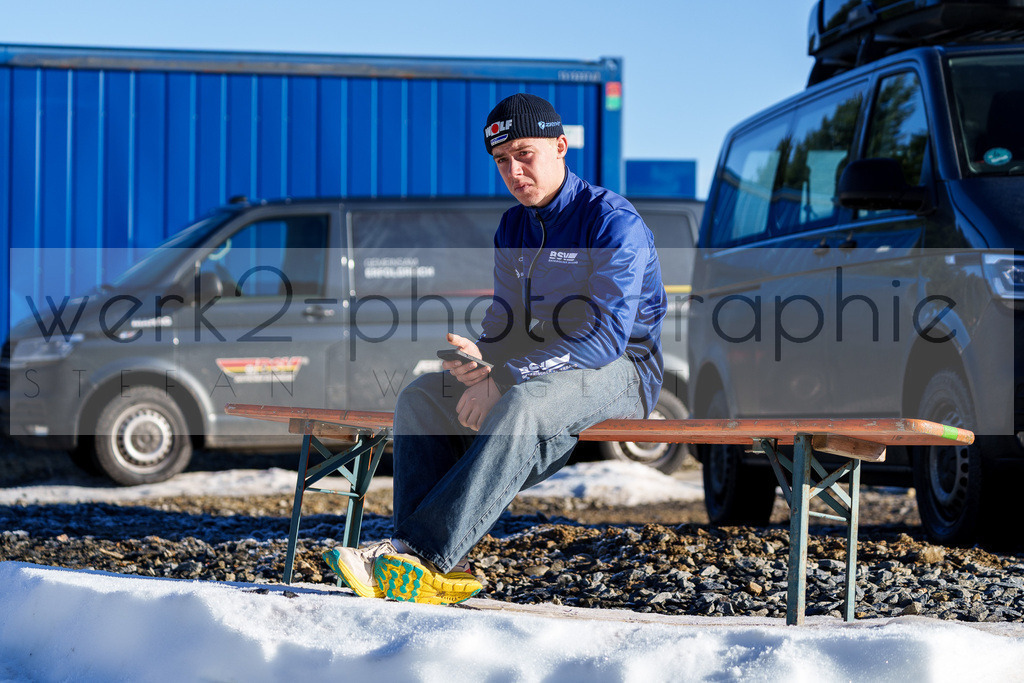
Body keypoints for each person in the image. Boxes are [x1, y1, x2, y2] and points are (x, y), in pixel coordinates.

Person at [323, 93, 666, 605]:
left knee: (522, 405)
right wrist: (484, 361)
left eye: (524, 154)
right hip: (543, 369)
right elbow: (505, 322)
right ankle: (438, 563)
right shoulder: (513, 226)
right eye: (502, 161)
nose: (514, 171)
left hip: (624, 369)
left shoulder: (612, 221)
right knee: (420, 396)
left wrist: (504, 379)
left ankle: (422, 556)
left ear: (560, 146)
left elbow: (605, 337)